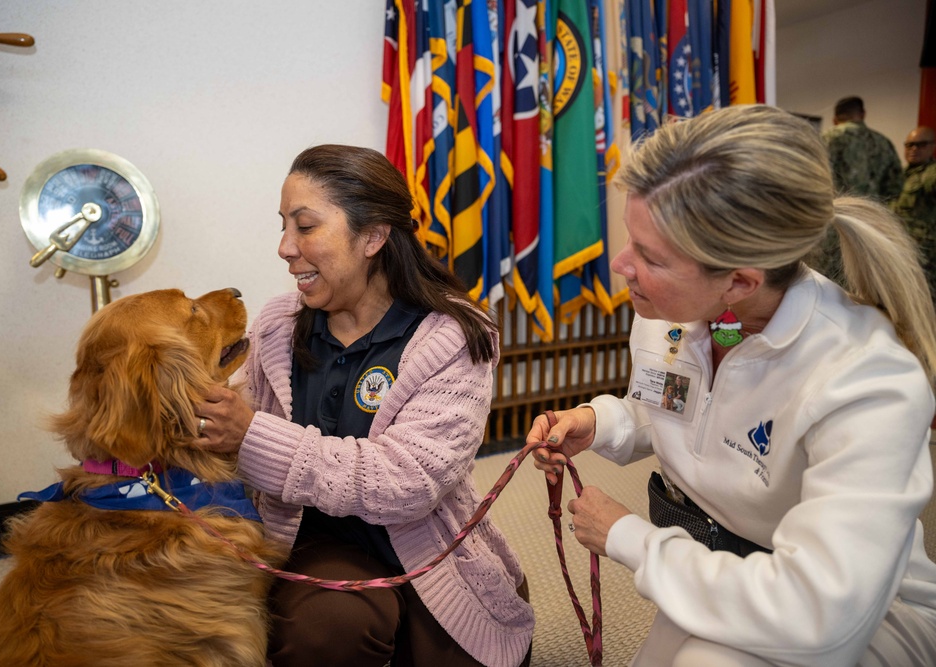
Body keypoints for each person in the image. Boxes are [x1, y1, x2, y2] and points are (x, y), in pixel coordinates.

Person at [529, 105, 936, 666]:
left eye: (649, 256)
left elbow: (817, 616)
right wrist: (600, 422)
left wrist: (628, 537)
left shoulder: (868, 380)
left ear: (739, 283)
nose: (621, 264)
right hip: (721, 567)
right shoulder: (666, 311)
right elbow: (680, 409)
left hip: (858, 614)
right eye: (630, 239)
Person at [194, 145, 534, 667]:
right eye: (283, 226)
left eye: (305, 227)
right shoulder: (277, 326)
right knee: (330, 629)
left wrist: (252, 435)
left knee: (474, 646)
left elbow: (407, 483)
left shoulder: (451, 336)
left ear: (373, 236)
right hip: (315, 546)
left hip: (427, 546)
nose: (284, 247)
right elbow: (236, 453)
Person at [815, 97, 905, 282]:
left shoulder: (826, 140)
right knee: (867, 281)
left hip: (833, 226)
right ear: (863, 115)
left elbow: (809, 184)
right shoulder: (883, 143)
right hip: (872, 226)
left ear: (835, 119)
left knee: (830, 283)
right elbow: (896, 187)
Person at [893, 126, 936, 301]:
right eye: (909, 145)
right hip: (899, 248)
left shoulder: (931, 173)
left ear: (933, 146)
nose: (914, 149)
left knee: (923, 301)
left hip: (924, 255)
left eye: (921, 144)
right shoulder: (900, 174)